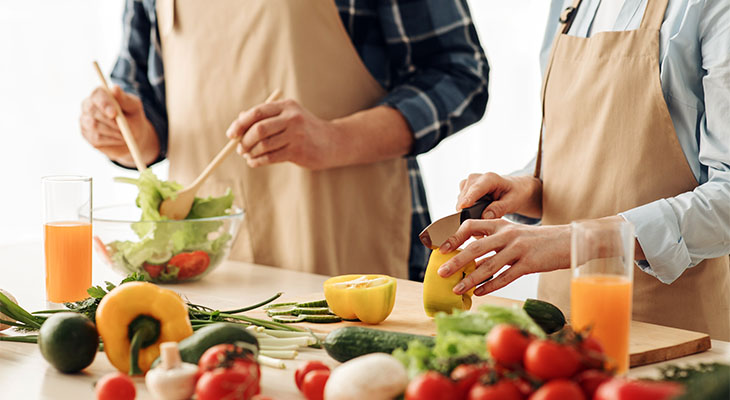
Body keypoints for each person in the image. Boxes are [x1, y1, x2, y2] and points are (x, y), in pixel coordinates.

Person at [80, 0, 489, 281]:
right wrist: (126, 133)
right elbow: (147, 109)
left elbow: (460, 74)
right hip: (205, 269)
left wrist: (335, 139)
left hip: (348, 249)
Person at [436, 0, 730, 340]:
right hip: (556, 331)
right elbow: (596, 153)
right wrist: (529, 187)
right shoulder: (568, 5)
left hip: (669, 332)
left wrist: (573, 241)